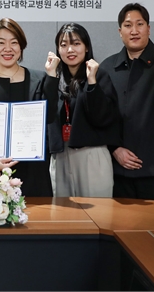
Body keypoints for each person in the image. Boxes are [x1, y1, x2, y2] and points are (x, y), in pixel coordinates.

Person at [96, 3, 154, 201]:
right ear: (120, 32)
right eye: (128, 25)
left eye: (139, 24)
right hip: (119, 170)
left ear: (148, 28)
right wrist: (114, 149)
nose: (134, 31)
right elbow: (100, 118)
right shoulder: (108, 67)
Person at [0, 18, 56, 197]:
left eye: (14, 42)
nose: (8, 48)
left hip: (33, 172)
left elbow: (50, 117)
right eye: (1, 43)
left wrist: (52, 76)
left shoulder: (39, 79)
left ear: (21, 46)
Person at [46, 23, 117, 197]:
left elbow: (102, 118)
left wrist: (92, 82)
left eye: (76, 43)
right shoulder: (54, 78)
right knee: (63, 211)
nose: (70, 50)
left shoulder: (99, 75)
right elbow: (46, 115)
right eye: (63, 45)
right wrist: (51, 77)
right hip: (60, 155)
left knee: (97, 210)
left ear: (86, 47)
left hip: (91, 153)